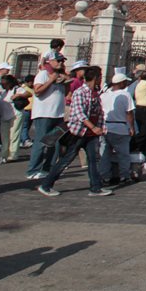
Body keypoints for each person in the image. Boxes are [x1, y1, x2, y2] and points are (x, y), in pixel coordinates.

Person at [38, 66, 113, 198]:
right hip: (79, 132)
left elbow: (99, 113)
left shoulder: (95, 93)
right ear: (95, 78)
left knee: (93, 160)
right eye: (100, 77)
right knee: (67, 159)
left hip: (91, 134)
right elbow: (80, 114)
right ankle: (46, 185)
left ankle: (95, 187)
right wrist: (93, 127)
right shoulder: (80, 92)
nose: (101, 80)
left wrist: (101, 128)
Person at [26, 51, 68, 179]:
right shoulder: (43, 74)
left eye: (62, 61)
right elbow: (37, 91)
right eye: (58, 60)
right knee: (41, 142)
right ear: (50, 61)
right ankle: (33, 170)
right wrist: (51, 80)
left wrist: (66, 81)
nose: (61, 63)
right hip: (44, 114)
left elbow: (66, 93)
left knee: (54, 143)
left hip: (58, 114)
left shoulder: (61, 75)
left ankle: (47, 168)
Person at [101, 70, 136, 183]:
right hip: (120, 127)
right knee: (123, 154)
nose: (126, 84)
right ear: (121, 83)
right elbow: (129, 113)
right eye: (125, 82)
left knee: (105, 154)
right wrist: (132, 127)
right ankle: (124, 175)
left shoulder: (104, 95)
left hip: (105, 127)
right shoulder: (125, 95)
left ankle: (105, 176)